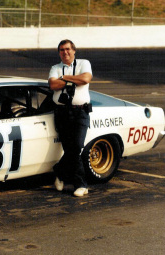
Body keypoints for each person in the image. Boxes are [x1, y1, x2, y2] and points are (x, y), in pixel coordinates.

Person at [48, 39, 93, 197]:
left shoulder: (84, 63)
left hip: (81, 112)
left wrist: (65, 78)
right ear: (59, 52)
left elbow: (86, 79)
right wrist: (73, 79)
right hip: (62, 113)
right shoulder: (55, 68)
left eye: (68, 49)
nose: (65, 52)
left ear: (74, 51)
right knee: (70, 149)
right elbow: (53, 85)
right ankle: (80, 185)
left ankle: (59, 171)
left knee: (77, 146)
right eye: (61, 50)